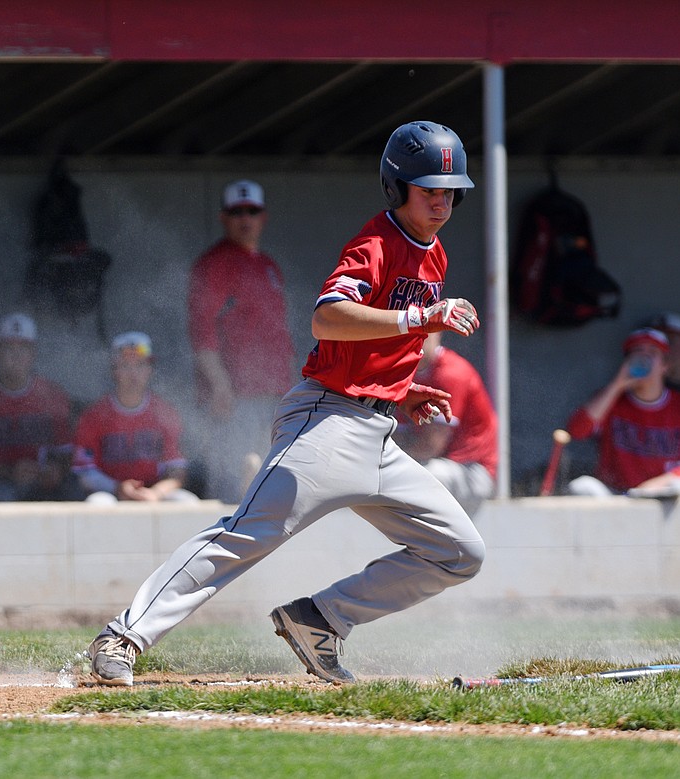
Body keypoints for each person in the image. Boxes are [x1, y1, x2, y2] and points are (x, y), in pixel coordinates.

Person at [86, 121, 485, 686]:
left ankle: (319, 618)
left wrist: (403, 389)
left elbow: (379, 344)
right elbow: (326, 317)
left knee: (459, 551)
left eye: (450, 190)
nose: (441, 199)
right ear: (397, 188)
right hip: (327, 423)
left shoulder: (434, 255)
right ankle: (124, 637)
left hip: (377, 431)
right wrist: (422, 318)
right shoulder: (375, 243)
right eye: (428, 188)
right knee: (247, 534)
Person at [188, 180, 295, 503]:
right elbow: (201, 331)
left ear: (263, 216)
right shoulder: (215, 263)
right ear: (223, 217)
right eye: (236, 212)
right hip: (234, 397)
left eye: (252, 211)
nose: (245, 219)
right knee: (233, 487)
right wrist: (220, 385)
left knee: (268, 483)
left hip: (273, 393)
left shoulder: (267, 264)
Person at [0, 313, 80, 501]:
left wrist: (55, 471)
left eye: (23, 348)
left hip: (45, 484)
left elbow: (69, 454)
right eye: (9, 347)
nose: (16, 355)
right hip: (0, 484)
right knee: (0, 495)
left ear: (33, 353)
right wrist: (9, 472)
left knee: (73, 491)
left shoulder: (53, 395)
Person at [72, 332, 198, 503]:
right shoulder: (94, 415)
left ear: (150, 369)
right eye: (125, 365)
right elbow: (85, 472)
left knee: (186, 502)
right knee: (97, 503)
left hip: (154, 491)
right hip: (111, 493)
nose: (133, 374)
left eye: (140, 365)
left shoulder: (165, 412)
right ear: (114, 370)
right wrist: (117, 487)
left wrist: (156, 492)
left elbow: (177, 470)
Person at [564, 327, 680, 497]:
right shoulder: (611, 399)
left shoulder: (677, 404)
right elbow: (576, 431)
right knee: (582, 486)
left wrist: (660, 482)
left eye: (652, 352)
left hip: (664, 495)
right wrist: (618, 384)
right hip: (618, 496)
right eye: (638, 352)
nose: (644, 357)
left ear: (665, 364)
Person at [392, 331, 498, 516]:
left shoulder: (451, 372)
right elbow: (396, 435)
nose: (417, 341)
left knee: (403, 477)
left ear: (438, 334)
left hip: (472, 472)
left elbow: (431, 445)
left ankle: (427, 543)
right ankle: (419, 544)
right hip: (436, 465)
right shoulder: (404, 373)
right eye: (410, 334)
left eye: (424, 334)